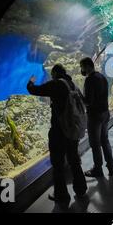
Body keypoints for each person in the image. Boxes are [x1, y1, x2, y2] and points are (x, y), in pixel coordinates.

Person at [27, 64, 87, 205]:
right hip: (72, 129)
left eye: (52, 74)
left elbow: (33, 90)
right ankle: (81, 189)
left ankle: (61, 196)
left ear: (54, 73)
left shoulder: (56, 84)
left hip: (59, 131)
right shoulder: (72, 84)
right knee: (74, 160)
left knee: (58, 164)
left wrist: (31, 81)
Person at [80, 57, 113, 178]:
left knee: (95, 143)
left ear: (87, 66)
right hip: (105, 113)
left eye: (82, 67)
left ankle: (97, 169)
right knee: (105, 141)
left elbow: (88, 102)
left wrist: (78, 95)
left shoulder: (90, 80)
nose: (82, 70)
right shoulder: (102, 77)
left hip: (95, 116)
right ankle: (111, 167)